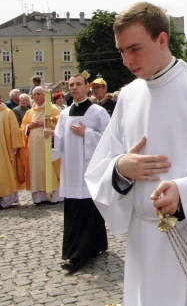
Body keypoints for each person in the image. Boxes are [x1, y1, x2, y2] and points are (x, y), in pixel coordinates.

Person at [84, 1, 187, 305]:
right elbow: (101, 167)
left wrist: (182, 192)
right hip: (143, 240)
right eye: (121, 51)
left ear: (162, 39)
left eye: (135, 49)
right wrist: (121, 168)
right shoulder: (128, 95)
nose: (127, 60)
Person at [53, 75, 110, 273]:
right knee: (75, 211)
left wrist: (87, 133)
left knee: (89, 210)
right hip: (71, 169)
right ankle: (87, 248)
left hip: (88, 169)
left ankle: (84, 251)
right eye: (71, 85)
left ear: (87, 87)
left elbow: (109, 140)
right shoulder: (65, 113)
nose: (75, 88)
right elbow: (59, 141)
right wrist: (50, 137)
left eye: (78, 84)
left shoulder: (98, 112)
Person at [20, 86, 62, 204]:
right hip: (34, 146)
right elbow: (23, 127)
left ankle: (53, 194)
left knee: (48, 166)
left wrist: (43, 123)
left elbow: (58, 123)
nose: (36, 97)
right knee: (36, 168)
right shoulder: (30, 111)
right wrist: (29, 127)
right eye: (34, 94)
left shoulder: (52, 108)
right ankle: (39, 195)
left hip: (47, 144)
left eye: (39, 94)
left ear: (45, 95)